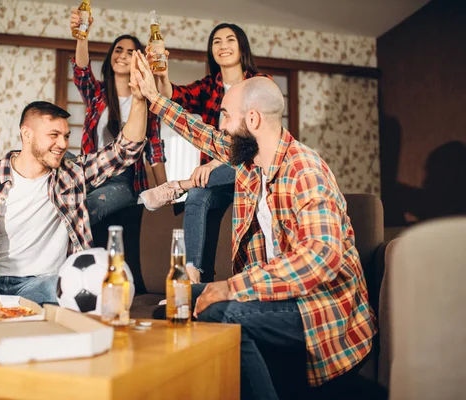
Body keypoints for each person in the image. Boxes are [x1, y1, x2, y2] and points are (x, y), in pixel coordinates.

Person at [131, 50, 376, 399]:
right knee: (175, 302)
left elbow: (321, 256)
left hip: (318, 307)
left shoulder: (304, 168)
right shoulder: (250, 160)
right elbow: (200, 132)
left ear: (254, 119)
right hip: (278, 295)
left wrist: (233, 287)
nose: (221, 124)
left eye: (226, 116)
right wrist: (154, 98)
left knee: (220, 311)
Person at [0, 71, 148, 305]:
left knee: (79, 288)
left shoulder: (71, 174)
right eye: (53, 135)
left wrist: (140, 99)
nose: (63, 144)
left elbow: (126, 149)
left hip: (44, 285)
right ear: (26, 134)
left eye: (65, 135)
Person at [141, 23, 262, 283]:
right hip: (216, 179)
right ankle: (190, 276)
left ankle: (177, 185)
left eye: (230, 39)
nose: (223, 46)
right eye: (216, 41)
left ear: (242, 47)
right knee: (197, 194)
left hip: (250, 171)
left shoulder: (260, 85)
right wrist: (161, 75)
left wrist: (216, 163)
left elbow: (257, 142)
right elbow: (172, 97)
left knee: (247, 161)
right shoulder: (209, 86)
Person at [70, 11, 167, 226]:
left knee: (89, 207)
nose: (123, 56)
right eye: (118, 50)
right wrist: (81, 36)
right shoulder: (97, 95)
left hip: (123, 179)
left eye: (131, 52)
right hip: (89, 170)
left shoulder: (145, 104)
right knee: (60, 158)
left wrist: (165, 193)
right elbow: (82, 72)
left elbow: (155, 152)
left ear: (139, 60)